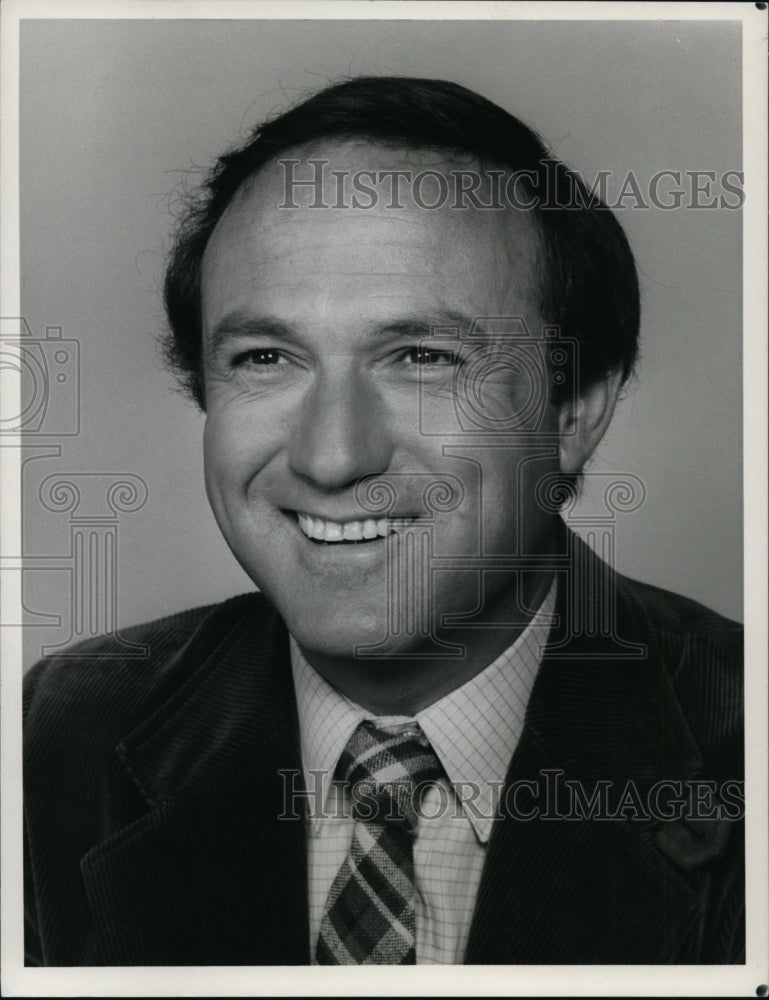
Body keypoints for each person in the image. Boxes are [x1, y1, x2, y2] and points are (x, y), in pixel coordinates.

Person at [23, 76, 744, 966]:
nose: (331, 458)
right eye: (265, 357)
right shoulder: (50, 741)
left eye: (420, 358)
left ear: (573, 410)